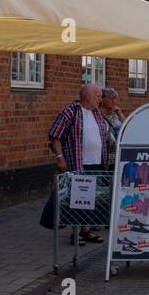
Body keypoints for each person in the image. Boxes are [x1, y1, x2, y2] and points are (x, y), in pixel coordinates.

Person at [47, 82, 114, 245]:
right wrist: (60, 157)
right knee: (78, 198)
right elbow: (55, 135)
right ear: (87, 96)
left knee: (90, 199)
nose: (100, 99)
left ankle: (86, 230)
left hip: (98, 162)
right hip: (78, 162)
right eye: (98, 95)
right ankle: (75, 232)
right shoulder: (71, 111)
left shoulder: (97, 113)